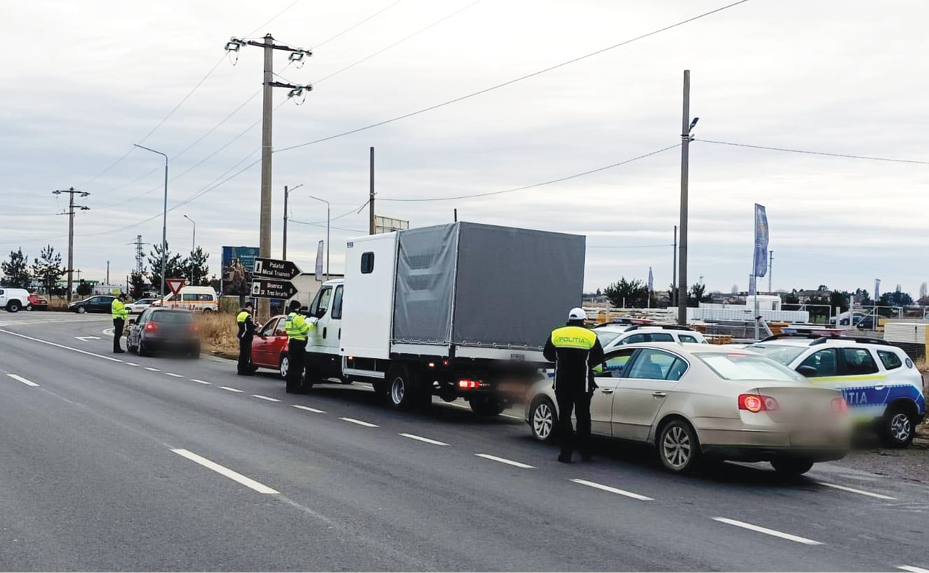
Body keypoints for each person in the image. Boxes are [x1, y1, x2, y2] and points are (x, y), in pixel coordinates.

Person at [543, 307, 604, 463]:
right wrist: (585, 364)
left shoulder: (557, 333)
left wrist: (562, 360)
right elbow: (599, 356)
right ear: (583, 320)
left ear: (569, 319)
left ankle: (565, 454)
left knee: (564, 417)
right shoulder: (590, 335)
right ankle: (585, 452)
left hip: (562, 383)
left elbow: (548, 354)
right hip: (582, 383)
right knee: (583, 417)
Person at [284, 300, 315, 393]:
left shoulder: (289, 317)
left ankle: (289, 387)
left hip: (292, 342)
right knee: (299, 366)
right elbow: (304, 330)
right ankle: (296, 387)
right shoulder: (297, 318)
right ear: (297, 308)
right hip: (299, 343)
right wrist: (312, 323)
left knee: (292, 366)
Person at [236, 302, 256, 375]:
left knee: (242, 353)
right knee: (246, 354)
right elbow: (249, 327)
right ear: (249, 307)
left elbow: (244, 325)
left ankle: (240, 369)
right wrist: (256, 326)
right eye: (251, 308)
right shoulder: (248, 315)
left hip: (242, 336)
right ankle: (245, 370)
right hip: (246, 337)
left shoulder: (240, 314)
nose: (251, 310)